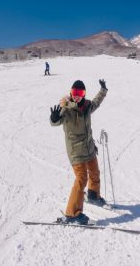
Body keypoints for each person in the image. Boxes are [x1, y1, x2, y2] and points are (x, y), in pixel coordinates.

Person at [50, 79, 108, 225]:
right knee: (82, 178)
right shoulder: (66, 108)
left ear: (84, 94)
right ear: (71, 92)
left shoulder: (87, 106)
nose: (77, 96)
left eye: (80, 93)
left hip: (89, 147)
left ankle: (93, 195)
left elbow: (96, 102)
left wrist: (103, 90)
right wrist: (54, 117)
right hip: (76, 151)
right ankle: (72, 214)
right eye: (75, 92)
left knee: (95, 172)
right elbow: (56, 122)